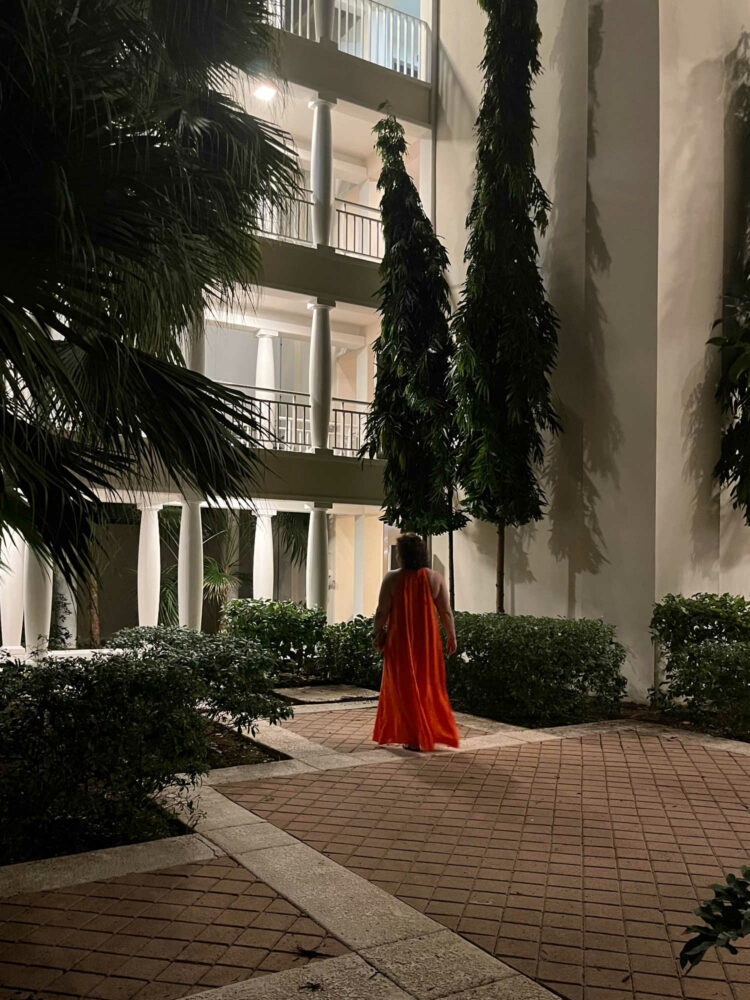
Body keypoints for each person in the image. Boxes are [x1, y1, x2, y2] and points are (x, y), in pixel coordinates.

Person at [371, 533, 459, 752]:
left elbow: (382, 611)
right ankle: (424, 731)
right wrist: (451, 636)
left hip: (399, 641)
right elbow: (445, 612)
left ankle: (411, 736)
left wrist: (376, 633)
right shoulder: (435, 578)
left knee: (402, 687)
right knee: (426, 686)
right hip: (427, 643)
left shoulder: (391, 578)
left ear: (401, 555)